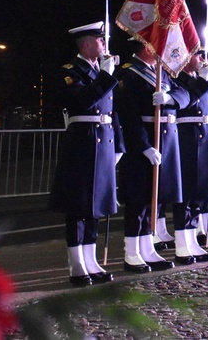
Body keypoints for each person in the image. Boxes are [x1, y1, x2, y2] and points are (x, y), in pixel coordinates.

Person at [49, 22, 124, 287]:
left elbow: (111, 111)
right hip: (82, 143)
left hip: (103, 142)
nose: (104, 44)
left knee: (95, 207)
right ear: (86, 44)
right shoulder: (71, 71)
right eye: (99, 39)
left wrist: (119, 145)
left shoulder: (99, 70)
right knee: (78, 206)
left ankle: (91, 260)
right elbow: (82, 102)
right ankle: (77, 264)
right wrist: (105, 77)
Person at [114, 39, 191, 271]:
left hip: (163, 141)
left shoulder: (160, 73)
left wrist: (169, 99)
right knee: (137, 201)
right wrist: (145, 146)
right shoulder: (130, 74)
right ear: (147, 48)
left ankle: (147, 248)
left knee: (152, 202)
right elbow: (129, 117)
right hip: (143, 144)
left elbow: (184, 94)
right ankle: (132, 252)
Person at [174, 47, 208, 263]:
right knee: (186, 194)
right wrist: (202, 81)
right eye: (198, 55)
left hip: (206, 139)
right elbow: (186, 103)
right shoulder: (177, 79)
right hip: (186, 139)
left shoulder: (200, 79)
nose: (203, 60)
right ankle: (182, 242)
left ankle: (192, 238)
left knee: (199, 193)